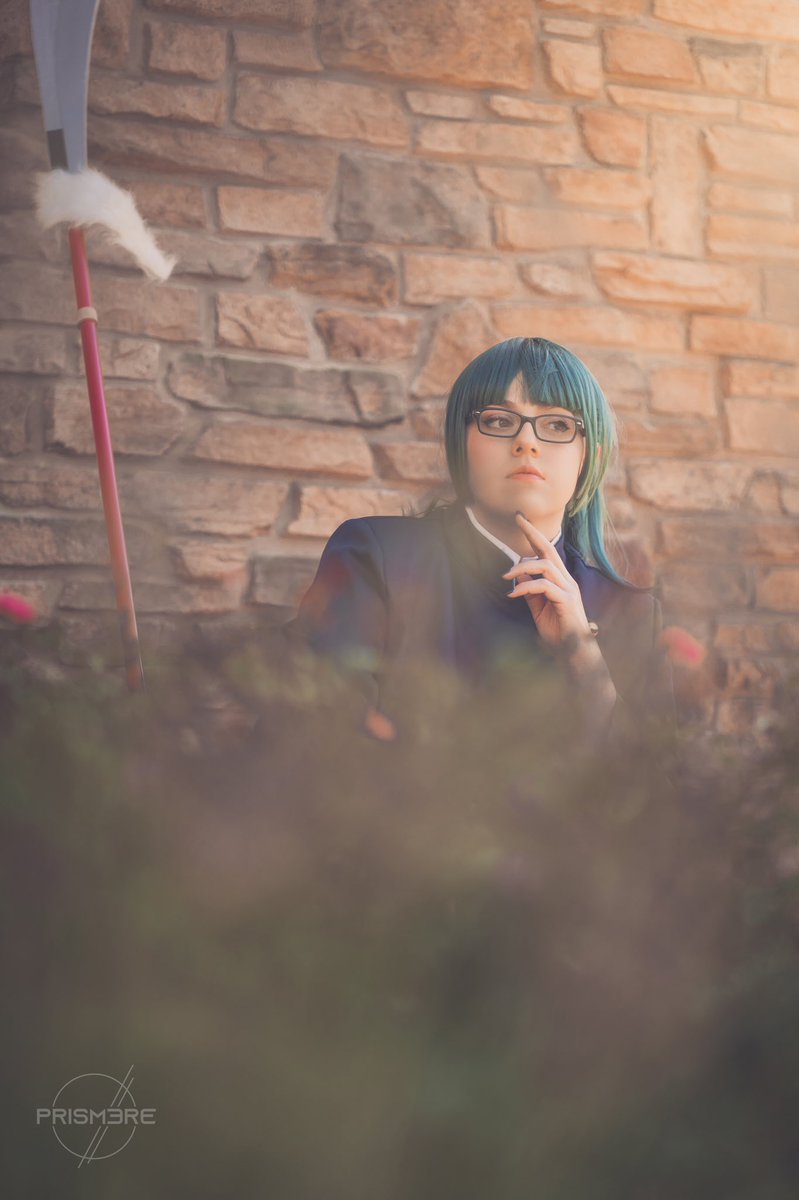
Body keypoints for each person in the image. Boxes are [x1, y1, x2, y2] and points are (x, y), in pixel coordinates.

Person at [283, 337, 676, 750]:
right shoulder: (376, 557)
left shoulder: (634, 617)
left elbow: (655, 783)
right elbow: (317, 739)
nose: (527, 443)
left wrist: (583, 656)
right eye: (499, 421)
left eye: (558, 425)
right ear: (462, 442)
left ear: (589, 456)